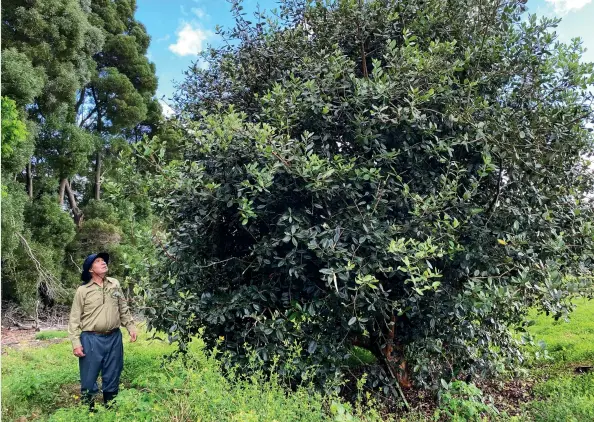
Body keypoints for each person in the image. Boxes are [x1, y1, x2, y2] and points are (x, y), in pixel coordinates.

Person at [68, 252, 137, 410]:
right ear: (91, 270)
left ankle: (110, 410)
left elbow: (123, 307)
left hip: (114, 337)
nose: (103, 263)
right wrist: (75, 343)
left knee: (113, 373)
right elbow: (74, 319)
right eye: (98, 261)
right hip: (91, 339)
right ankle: (89, 412)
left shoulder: (114, 284)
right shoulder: (83, 290)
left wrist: (130, 326)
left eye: (104, 261)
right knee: (88, 376)